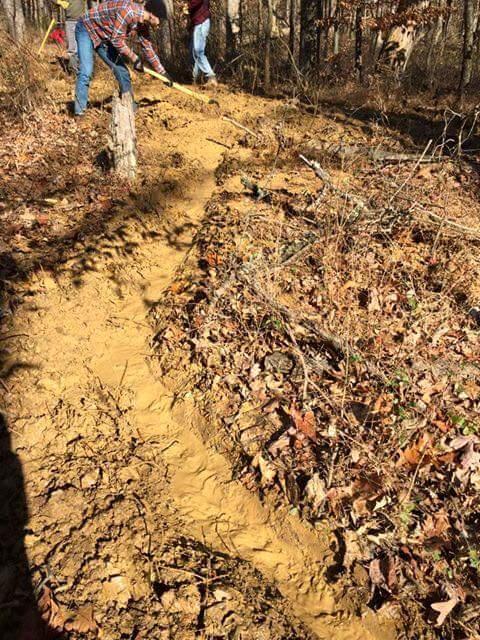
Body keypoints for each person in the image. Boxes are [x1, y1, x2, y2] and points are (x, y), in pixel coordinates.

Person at [74, 0, 171, 116]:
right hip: (86, 28)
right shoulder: (129, 11)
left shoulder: (143, 24)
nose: (159, 25)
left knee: (122, 71)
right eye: (160, 20)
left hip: (105, 36)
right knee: (86, 71)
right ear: (152, 14)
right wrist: (135, 58)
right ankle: (79, 113)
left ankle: (129, 106)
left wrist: (163, 73)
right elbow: (116, 40)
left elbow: (147, 48)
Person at [188, 0, 217, 86]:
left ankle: (211, 76)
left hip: (201, 22)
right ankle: (195, 78)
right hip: (198, 23)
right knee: (192, 51)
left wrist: (187, 6)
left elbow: (195, 2)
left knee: (198, 51)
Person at [65, 0, 87, 73]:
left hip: (81, 21)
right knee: (72, 48)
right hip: (70, 22)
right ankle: (73, 72)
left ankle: (83, 71)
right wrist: (59, 2)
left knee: (82, 47)